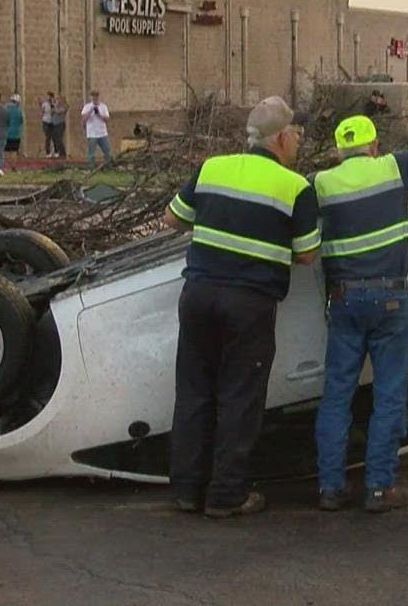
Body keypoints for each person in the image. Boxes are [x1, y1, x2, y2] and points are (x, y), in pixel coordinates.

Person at [163, 95, 321, 518]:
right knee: (239, 398)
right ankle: (226, 494)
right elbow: (307, 254)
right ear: (281, 138)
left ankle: (186, 490)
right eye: (297, 134)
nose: (298, 141)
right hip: (249, 303)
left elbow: (173, 218)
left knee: (194, 392)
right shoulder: (295, 187)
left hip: (198, 295)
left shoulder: (212, 168)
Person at [312, 115, 408, 513]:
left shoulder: (321, 184)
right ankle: (379, 489)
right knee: (389, 395)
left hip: (344, 300)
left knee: (337, 395)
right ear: (373, 146)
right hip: (389, 299)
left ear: (338, 152)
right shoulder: (394, 167)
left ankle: (330, 489)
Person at [81, 90, 112, 168]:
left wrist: (99, 114)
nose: (94, 98)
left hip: (102, 133)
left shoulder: (103, 106)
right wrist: (90, 111)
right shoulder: (87, 107)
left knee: (107, 150)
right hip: (92, 134)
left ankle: (108, 165)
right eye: (93, 96)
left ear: (98, 97)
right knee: (91, 152)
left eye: (96, 96)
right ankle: (91, 167)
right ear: (91, 97)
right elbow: (84, 119)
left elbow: (107, 119)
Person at [5, 94, 25, 168]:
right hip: (16, 134)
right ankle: (13, 167)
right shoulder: (19, 111)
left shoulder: (6, 109)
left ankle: (6, 166)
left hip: (6, 133)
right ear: (17, 102)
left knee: (6, 150)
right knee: (14, 151)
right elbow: (21, 121)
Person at [50, 92, 68, 159]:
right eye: (56, 99)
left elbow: (58, 112)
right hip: (54, 124)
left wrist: (55, 106)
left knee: (59, 139)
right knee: (54, 139)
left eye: (58, 99)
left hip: (60, 124)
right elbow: (52, 112)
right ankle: (57, 153)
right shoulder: (56, 105)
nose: (57, 100)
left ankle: (63, 153)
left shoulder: (65, 106)